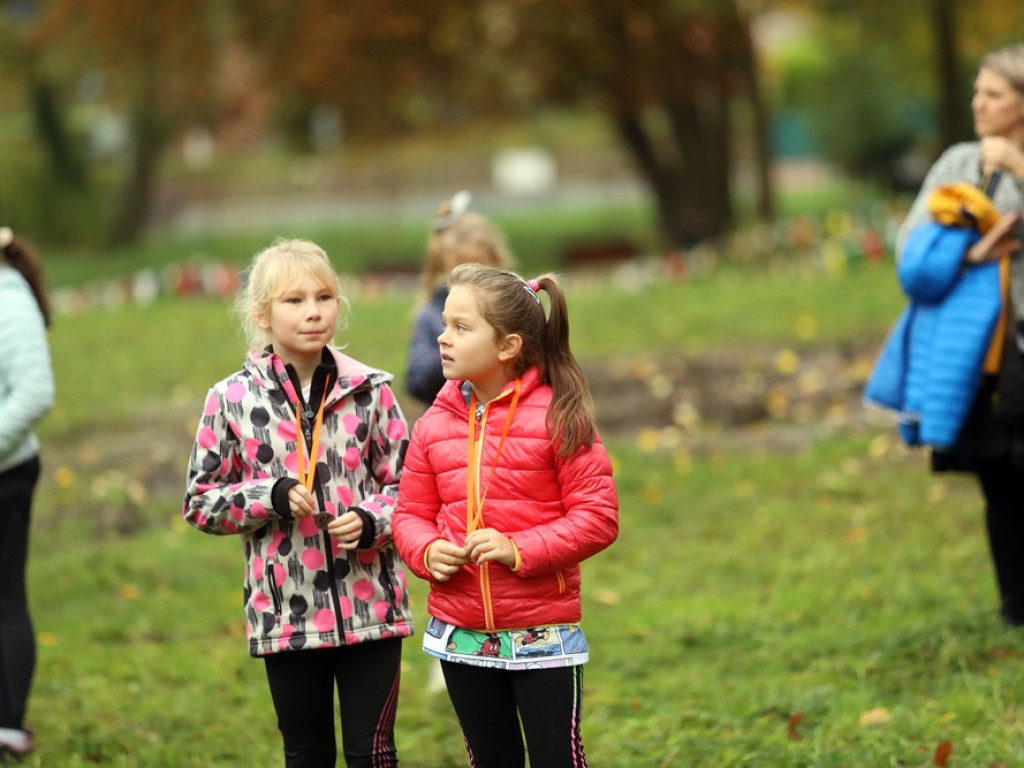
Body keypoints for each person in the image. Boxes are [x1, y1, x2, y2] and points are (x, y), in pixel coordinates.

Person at [182, 238, 414, 767]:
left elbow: (412, 486)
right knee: (306, 753)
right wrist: (270, 495)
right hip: (286, 615)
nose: (313, 311)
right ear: (261, 315)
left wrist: (373, 518)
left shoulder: (372, 391)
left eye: (325, 297)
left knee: (374, 753)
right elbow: (200, 501)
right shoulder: (230, 399)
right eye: (294, 300)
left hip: (372, 608)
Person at [393, 263, 619, 767]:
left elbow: (599, 516)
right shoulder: (432, 425)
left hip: (544, 634)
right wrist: (427, 551)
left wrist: (518, 548)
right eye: (443, 324)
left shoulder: (559, 416)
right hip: (461, 634)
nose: (441, 338)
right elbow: (408, 514)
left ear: (508, 346)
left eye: (460, 327)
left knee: (555, 758)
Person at [893, 43, 1024, 627]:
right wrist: (972, 252)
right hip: (981, 350)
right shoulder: (957, 164)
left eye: (993, 93)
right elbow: (910, 255)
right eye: (976, 90)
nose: (978, 102)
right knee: (1000, 478)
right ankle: (1015, 606)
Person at [0, 227, 55, 760]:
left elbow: (35, 391)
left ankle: (8, 722)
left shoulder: (8, 300)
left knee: (5, 597)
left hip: (6, 474)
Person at [404, 191, 514, 413]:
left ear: (496, 261)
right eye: (460, 272)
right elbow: (415, 382)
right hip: (450, 423)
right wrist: (455, 355)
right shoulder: (432, 315)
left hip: (507, 419)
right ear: (444, 267)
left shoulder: (513, 309)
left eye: (478, 271)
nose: (470, 283)